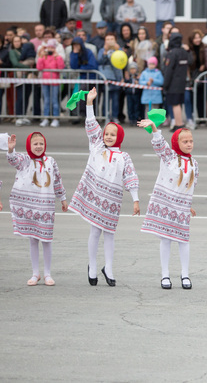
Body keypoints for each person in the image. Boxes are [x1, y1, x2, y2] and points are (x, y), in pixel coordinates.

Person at [68, 88, 139, 287]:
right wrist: (89, 103)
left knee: (109, 233)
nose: (108, 136)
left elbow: (131, 177)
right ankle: (92, 265)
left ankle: (108, 267)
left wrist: (135, 199)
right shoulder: (97, 146)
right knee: (95, 231)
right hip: (95, 196)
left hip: (112, 200)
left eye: (112, 134)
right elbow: (91, 126)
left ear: (120, 137)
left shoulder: (124, 157)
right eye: (106, 133)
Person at [137, 120, 198, 290]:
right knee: (166, 240)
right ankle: (165, 275)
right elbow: (159, 144)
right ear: (176, 143)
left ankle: (185, 274)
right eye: (185, 141)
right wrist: (154, 128)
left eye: (191, 141)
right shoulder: (169, 157)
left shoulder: (195, 164)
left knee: (184, 240)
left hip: (182, 208)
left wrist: (189, 204)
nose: (189, 144)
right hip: (166, 206)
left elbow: (191, 186)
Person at [6, 132, 68, 286]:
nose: (39, 147)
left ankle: (47, 274)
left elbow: (57, 180)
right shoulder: (25, 160)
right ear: (29, 146)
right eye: (35, 144)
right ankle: (35, 273)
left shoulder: (50, 161)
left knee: (46, 240)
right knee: (33, 240)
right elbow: (14, 161)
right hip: (30, 207)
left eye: (41, 143)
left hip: (45, 206)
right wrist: (11, 150)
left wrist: (63, 198)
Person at [163, 32, 191, 131]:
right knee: (178, 103)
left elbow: (168, 70)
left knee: (175, 104)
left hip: (173, 83)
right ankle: (178, 123)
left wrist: (165, 84)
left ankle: (178, 124)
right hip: (182, 82)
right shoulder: (184, 52)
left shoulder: (172, 53)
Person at [36, 40, 64, 127]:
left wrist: (58, 57)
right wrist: (40, 56)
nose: (50, 49)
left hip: (55, 82)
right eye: (49, 47)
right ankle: (46, 118)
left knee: (55, 101)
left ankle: (55, 119)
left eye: (52, 47)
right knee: (46, 101)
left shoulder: (57, 57)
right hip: (45, 81)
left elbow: (60, 67)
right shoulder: (44, 57)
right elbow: (39, 68)